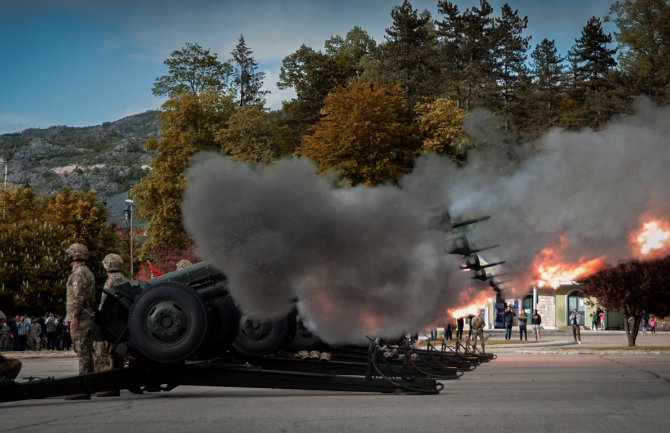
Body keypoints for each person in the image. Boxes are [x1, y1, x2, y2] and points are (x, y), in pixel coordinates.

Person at [64, 242, 97, 400]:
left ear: (74, 255)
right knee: (85, 352)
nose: (67, 256)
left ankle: (83, 388)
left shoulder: (78, 273)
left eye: (69, 253)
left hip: (82, 317)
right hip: (86, 315)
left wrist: (74, 317)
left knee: (83, 352)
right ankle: (88, 385)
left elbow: (78, 297)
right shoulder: (86, 272)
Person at [93, 253, 127, 397]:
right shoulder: (124, 280)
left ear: (107, 266)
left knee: (103, 354)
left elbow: (105, 304)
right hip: (119, 324)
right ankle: (115, 385)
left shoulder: (111, 281)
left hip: (109, 323)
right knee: (117, 356)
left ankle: (107, 386)